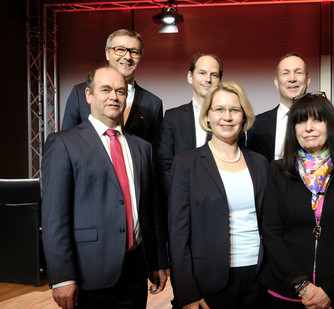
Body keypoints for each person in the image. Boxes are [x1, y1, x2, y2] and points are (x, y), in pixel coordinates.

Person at [41, 67, 167, 309]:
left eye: (120, 91)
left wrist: (158, 260)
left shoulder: (142, 147)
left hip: (136, 272)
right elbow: (55, 217)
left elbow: (152, 211)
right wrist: (61, 277)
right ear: (89, 95)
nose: (114, 96)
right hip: (89, 275)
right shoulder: (64, 143)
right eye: (106, 90)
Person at [259, 92, 334, 309]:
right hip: (287, 292)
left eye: (317, 120)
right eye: (301, 121)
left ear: (330, 124)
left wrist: (331, 290)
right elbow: (271, 231)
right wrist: (302, 286)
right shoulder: (278, 170)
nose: (308, 128)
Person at [168, 81, 268, 309]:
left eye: (235, 110)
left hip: (258, 277)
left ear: (244, 116)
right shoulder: (186, 163)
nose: (227, 117)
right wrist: (186, 292)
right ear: (208, 115)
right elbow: (178, 233)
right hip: (209, 280)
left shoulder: (260, 163)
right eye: (219, 109)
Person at [61, 29, 163, 150]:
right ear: (107, 53)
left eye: (134, 52)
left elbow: (155, 155)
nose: (127, 57)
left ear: (140, 57)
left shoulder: (153, 103)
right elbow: (66, 143)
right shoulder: (80, 93)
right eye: (120, 49)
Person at [158, 53, 223, 189]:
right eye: (202, 73)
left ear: (220, 81)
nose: (208, 79)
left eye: (214, 75)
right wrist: (179, 196)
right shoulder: (173, 117)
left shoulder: (228, 120)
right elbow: (165, 164)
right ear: (190, 77)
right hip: (181, 198)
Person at [246, 52, 311, 162]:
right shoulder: (255, 125)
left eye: (298, 72)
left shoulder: (323, 122)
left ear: (307, 80)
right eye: (285, 73)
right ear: (276, 82)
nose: (292, 79)